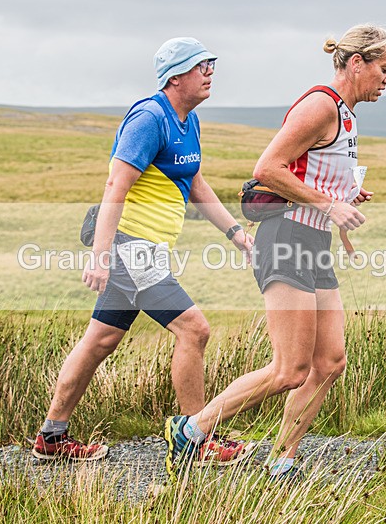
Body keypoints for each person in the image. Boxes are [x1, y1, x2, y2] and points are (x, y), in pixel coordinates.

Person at [164, 24, 386, 482]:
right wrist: (328, 203)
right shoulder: (320, 105)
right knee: (289, 369)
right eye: (384, 69)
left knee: (329, 362)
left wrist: (343, 194)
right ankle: (190, 431)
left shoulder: (348, 115)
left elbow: (307, 173)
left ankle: (281, 459)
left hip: (314, 244)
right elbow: (266, 169)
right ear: (357, 63)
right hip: (285, 240)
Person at [33, 37, 254, 462]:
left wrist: (235, 234)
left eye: (211, 64)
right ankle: (196, 438)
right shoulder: (149, 118)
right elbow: (116, 184)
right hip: (131, 248)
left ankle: (52, 437)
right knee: (195, 329)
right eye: (200, 66)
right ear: (175, 77)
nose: (210, 71)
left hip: (143, 251)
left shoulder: (187, 122)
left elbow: (195, 183)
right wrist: (100, 256)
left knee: (101, 340)